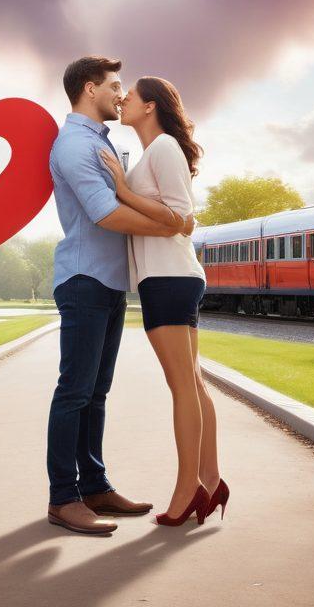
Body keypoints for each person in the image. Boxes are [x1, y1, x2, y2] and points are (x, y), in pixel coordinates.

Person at [46, 56, 193, 536]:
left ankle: (95, 485)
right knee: (74, 391)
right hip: (84, 278)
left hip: (108, 282)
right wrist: (172, 222)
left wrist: (165, 216)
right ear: (90, 89)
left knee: (96, 393)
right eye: (114, 86)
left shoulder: (101, 144)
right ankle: (64, 499)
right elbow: (104, 214)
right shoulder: (73, 145)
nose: (120, 94)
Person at [98, 77, 228, 527]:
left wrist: (123, 191)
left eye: (128, 96)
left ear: (150, 105)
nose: (121, 99)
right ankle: (211, 481)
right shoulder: (158, 151)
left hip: (169, 278)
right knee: (193, 384)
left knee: (182, 388)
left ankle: (187, 488)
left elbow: (182, 218)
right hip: (170, 277)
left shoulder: (164, 147)